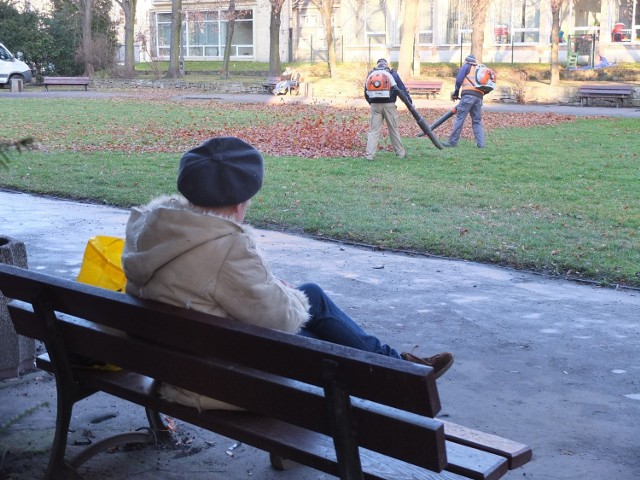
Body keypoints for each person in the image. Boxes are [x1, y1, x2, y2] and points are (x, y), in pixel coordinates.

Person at [122, 137, 454, 409]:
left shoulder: (153, 227)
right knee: (325, 345)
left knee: (313, 295)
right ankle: (399, 376)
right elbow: (280, 320)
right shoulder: (227, 248)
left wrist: (277, 289)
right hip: (214, 379)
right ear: (241, 202)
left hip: (175, 359)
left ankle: (400, 366)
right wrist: (284, 292)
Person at [364, 58, 411, 161]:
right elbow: (402, 89)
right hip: (389, 105)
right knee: (393, 129)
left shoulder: (371, 74)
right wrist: (410, 103)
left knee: (373, 131)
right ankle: (400, 153)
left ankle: (369, 155)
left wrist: (371, 103)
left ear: (377, 65)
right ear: (387, 65)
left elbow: (366, 91)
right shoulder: (393, 74)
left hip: (375, 106)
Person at [442, 54, 487, 149]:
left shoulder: (466, 66)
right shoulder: (480, 70)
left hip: (467, 97)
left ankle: (452, 142)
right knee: (477, 121)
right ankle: (481, 144)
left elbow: (458, 80)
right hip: (479, 97)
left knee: (460, 118)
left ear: (466, 61)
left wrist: (456, 93)